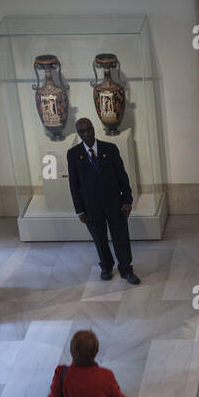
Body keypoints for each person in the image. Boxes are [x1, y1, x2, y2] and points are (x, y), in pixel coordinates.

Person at [67, 116, 140, 284]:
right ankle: (106, 266)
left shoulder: (110, 148)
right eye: (83, 131)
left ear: (94, 128)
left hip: (114, 203)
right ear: (79, 134)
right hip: (91, 206)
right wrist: (80, 210)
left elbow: (122, 176)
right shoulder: (74, 154)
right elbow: (74, 185)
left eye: (89, 129)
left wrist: (127, 200)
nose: (87, 133)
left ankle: (126, 270)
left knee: (120, 237)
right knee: (99, 239)